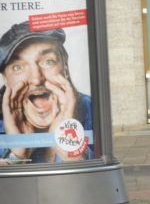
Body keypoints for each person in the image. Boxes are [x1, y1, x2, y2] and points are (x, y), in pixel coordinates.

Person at [0, 22, 94, 163]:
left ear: (65, 68)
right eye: (17, 67)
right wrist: (17, 153)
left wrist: (69, 147)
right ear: (5, 79)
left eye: (48, 62)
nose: (36, 79)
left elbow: (101, 179)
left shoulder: (93, 109)